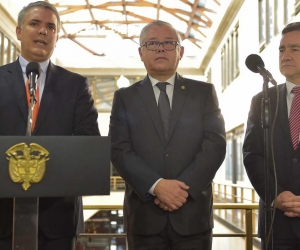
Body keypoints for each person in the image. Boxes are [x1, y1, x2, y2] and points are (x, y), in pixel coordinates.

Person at [110, 20, 226, 249]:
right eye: (152, 43)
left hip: (193, 218)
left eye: (168, 43)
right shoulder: (125, 98)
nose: (161, 48)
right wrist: (157, 186)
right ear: (141, 52)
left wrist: (182, 190)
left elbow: (215, 144)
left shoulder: (203, 93)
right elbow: (119, 149)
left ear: (180, 52)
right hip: (144, 218)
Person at [0, 1, 100, 250]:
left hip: (58, 220)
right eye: (35, 24)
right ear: (19, 31)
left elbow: (88, 143)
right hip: (2, 216)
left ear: (56, 37)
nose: (43, 31)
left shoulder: (76, 86)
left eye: (51, 27)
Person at [243, 22, 300, 250]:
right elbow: (252, 155)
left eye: (295, 49)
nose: (285, 55)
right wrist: (275, 195)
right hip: (277, 226)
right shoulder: (262, 100)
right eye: (281, 49)